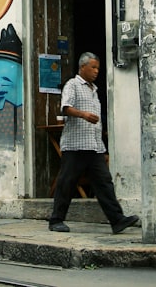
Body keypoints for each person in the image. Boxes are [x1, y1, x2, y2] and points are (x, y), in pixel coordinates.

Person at [48, 52, 139, 234]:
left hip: (94, 145)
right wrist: (83, 114)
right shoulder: (72, 85)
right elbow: (65, 108)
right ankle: (56, 220)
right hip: (75, 145)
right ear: (82, 67)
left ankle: (117, 219)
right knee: (67, 182)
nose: (97, 71)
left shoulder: (94, 90)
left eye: (98, 68)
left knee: (104, 182)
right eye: (93, 67)